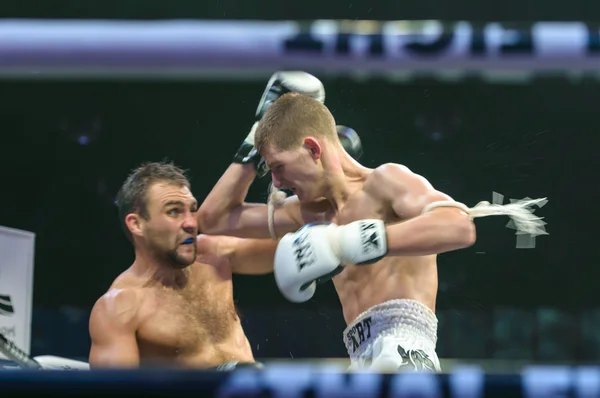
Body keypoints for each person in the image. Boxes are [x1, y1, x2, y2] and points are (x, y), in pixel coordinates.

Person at [197, 72, 548, 372]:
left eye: (278, 167)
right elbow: (213, 218)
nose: (275, 182)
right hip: (359, 356)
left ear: (313, 149)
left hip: (406, 348)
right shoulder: (306, 213)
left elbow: (458, 226)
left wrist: (349, 242)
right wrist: (256, 139)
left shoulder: (385, 183)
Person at [88, 161, 278, 369]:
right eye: (174, 212)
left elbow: (284, 251)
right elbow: (114, 391)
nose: (191, 223)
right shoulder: (118, 307)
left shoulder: (213, 257)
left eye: (192, 210)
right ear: (137, 224)